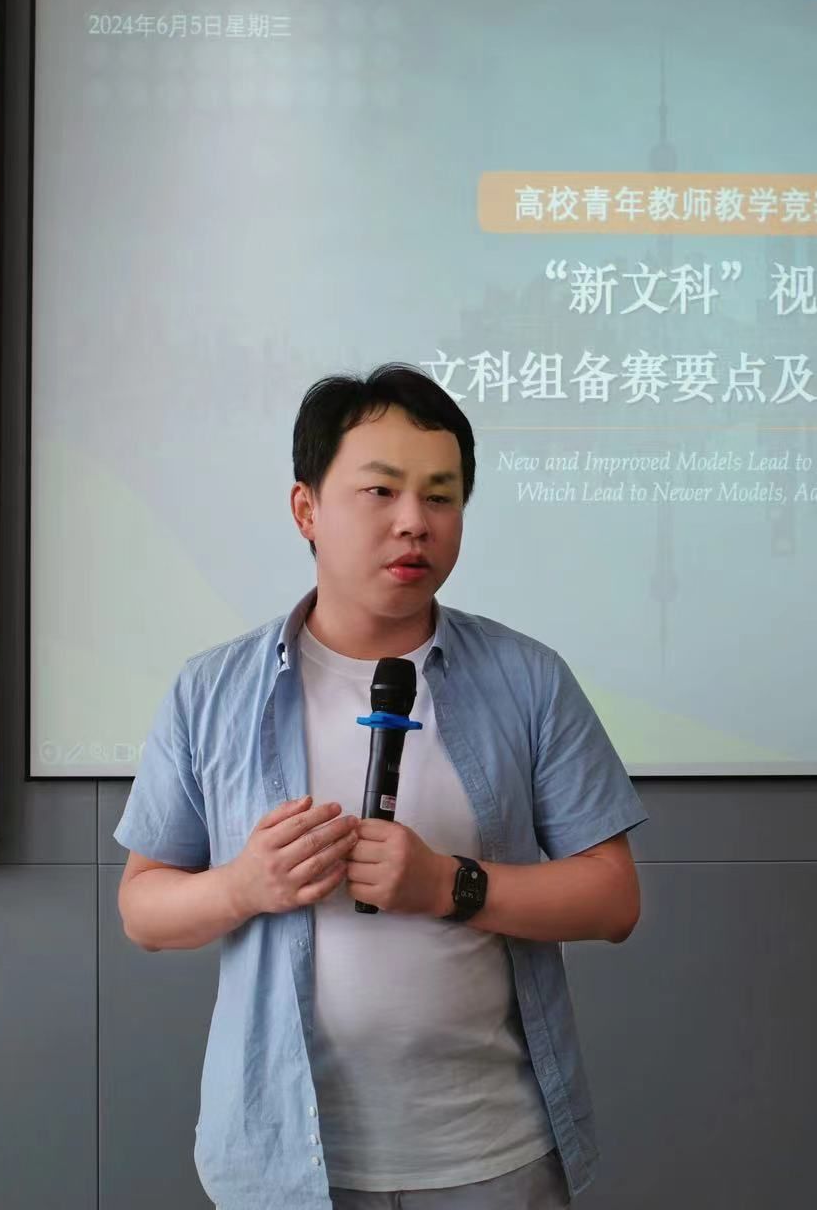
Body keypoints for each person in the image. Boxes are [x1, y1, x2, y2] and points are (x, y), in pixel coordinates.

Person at [114, 363, 648, 1209]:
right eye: (381, 491)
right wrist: (244, 886)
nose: (414, 522)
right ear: (306, 510)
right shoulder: (212, 691)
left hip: (492, 1157)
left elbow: (613, 900)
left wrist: (448, 884)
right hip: (283, 1160)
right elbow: (143, 909)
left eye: (442, 496)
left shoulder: (528, 679)